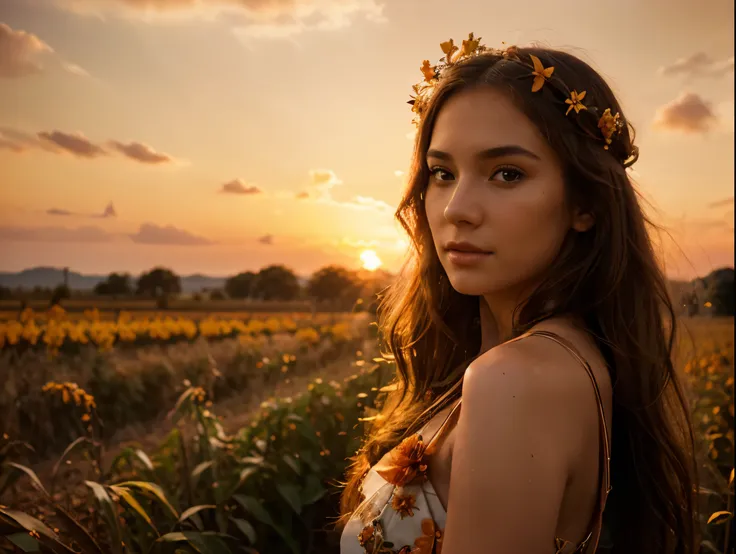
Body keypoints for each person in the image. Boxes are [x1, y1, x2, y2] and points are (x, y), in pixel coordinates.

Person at [336, 34, 699, 554]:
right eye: (442, 173)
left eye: (507, 173)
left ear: (585, 204)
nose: (456, 208)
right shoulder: (564, 361)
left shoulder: (514, 381)